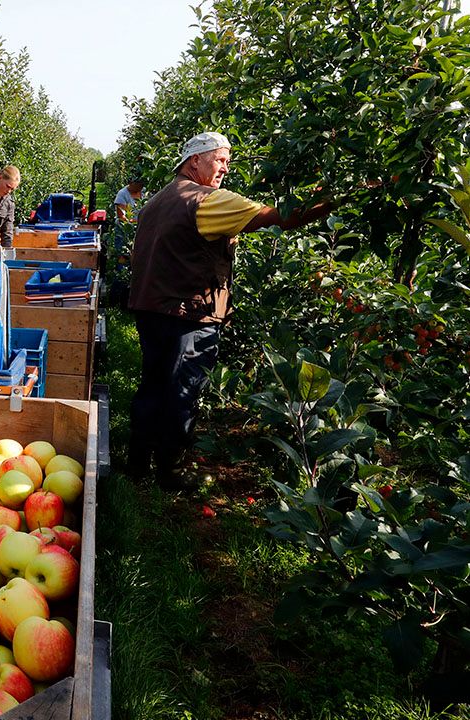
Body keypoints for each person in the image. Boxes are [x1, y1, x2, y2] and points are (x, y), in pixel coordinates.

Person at [128, 131, 332, 488]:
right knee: (183, 388)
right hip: (187, 313)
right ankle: (171, 471)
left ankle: (137, 464)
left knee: (153, 384)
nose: (225, 168)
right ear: (195, 161)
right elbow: (283, 217)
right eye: (220, 160)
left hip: (149, 307)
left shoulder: (157, 200)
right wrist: (333, 199)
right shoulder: (207, 201)